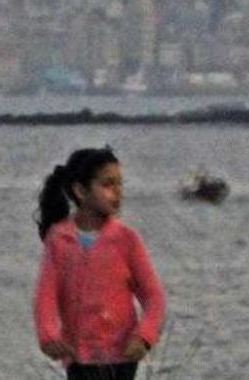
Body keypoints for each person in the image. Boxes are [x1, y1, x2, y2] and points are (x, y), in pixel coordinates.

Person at [33, 148, 166, 380]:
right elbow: (46, 296)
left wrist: (144, 337)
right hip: (78, 358)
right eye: (107, 184)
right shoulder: (59, 239)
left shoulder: (127, 239)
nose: (117, 192)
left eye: (120, 184)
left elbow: (154, 297)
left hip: (121, 358)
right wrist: (49, 337)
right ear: (81, 191)